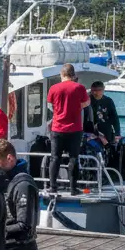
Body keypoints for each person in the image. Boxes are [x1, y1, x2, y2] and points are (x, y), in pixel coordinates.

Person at [46, 64, 90, 195]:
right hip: (75, 128)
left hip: (57, 128)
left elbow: (50, 105)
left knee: (55, 158)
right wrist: (76, 107)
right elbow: (87, 103)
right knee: (73, 158)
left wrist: (59, 111)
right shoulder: (79, 88)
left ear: (62, 75)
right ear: (73, 75)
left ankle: (53, 187)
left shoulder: (54, 88)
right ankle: (73, 188)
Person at [86, 81, 121, 147]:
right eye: (93, 90)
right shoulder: (87, 100)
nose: (95, 93)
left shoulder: (108, 101)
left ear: (103, 89)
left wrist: (117, 133)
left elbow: (114, 118)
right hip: (91, 132)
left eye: (98, 90)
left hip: (106, 131)